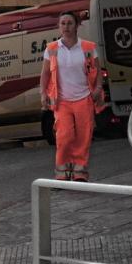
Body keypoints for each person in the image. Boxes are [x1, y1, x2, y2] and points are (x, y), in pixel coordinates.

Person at [41, 10, 104, 181]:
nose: (66, 27)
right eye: (63, 23)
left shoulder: (88, 47)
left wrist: (98, 87)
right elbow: (45, 74)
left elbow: (97, 70)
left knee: (84, 136)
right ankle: (62, 172)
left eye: (70, 23)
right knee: (64, 136)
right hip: (62, 101)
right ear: (59, 26)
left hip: (84, 98)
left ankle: (79, 172)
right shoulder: (52, 49)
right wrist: (43, 93)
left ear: (77, 25)